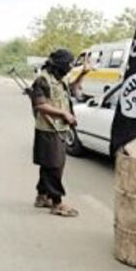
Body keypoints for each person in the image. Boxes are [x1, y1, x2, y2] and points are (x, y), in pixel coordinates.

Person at [30, 49, 89, 217]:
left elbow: (72, 89)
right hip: (48, 130)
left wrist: (84, 72)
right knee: (54, 167)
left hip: (59, 129)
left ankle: (42, 197)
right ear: (60, 64)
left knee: (49, 164)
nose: (71, 67)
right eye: (69, 64)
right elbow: (40, 105)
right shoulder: (43, 80)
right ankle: (57, 203)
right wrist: (64, 114)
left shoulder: (58, 80)